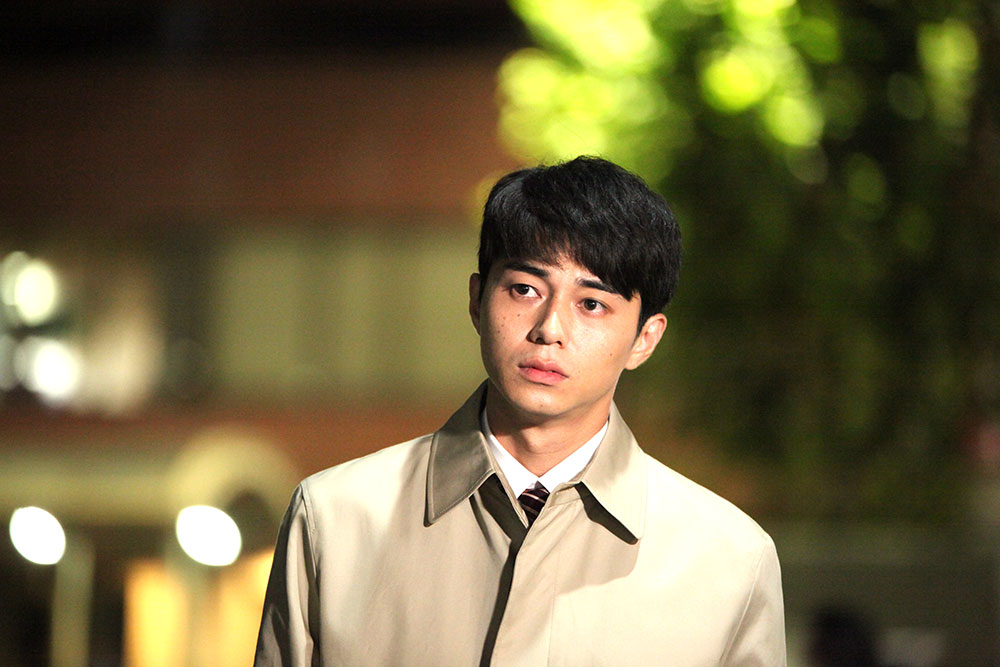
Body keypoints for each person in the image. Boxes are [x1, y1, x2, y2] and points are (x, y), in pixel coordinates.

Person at [254, 156, 786, 665]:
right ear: (477, 300)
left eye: (592, 304)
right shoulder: (334, 520)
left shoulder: (729, 560)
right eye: (525, 289)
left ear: (644, 339)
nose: (549, 329)